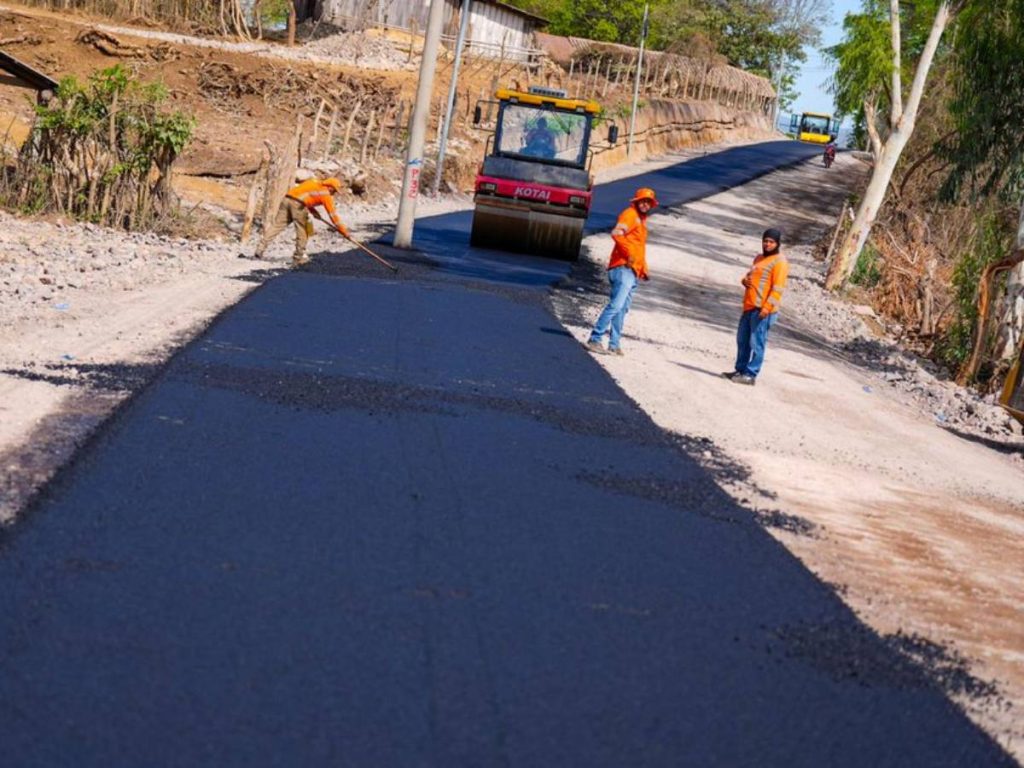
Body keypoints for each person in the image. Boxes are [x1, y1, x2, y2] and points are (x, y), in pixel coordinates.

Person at [586, 188, 657, 356]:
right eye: (643, 201)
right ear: (637, 201)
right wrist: (629, 255)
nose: (646, 204)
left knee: (622, 308)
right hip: (622, 267)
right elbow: (617, 234)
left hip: (632, 271)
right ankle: (595, 339)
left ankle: (614, 344)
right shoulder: (630, 215)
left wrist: (642, 268)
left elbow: (639, 248)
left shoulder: (641, 220)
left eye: (649, 202)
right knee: (616, 305)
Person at [723, 228, 788, 385]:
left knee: (756, 343)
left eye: (771, 242)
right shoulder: (759, 258)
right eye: (765, 241)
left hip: (763, 310)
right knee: (742, 340)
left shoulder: (780, 262)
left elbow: (778, 288)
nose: (767, 244)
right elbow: (751, 275)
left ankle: (751, 375)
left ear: (777, 243)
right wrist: (744, 280)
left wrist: (767, 308)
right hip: (749, 306)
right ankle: (740, 370)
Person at [254, 176, 350, 266]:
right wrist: (344, 232)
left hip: (286, 200)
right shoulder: (325, 194)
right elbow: (333, 216)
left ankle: (260, 249)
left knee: (277, 226)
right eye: (334, 191)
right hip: (298, 206)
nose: (334, 193)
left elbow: (306, 196)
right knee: (303, 230)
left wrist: (313, 211)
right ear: (330, 187)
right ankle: (298, 257)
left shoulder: (313, 181)